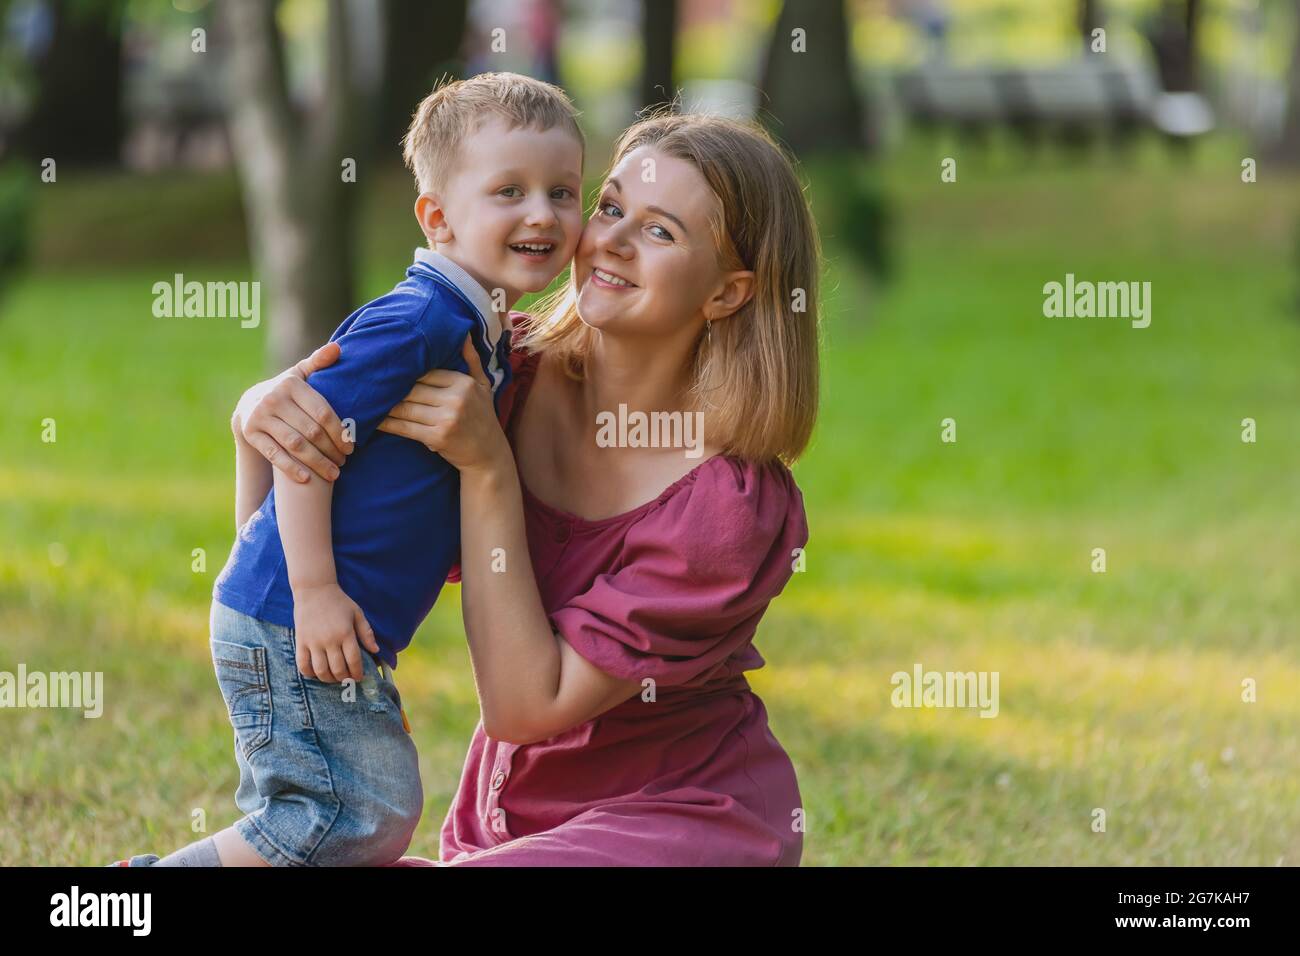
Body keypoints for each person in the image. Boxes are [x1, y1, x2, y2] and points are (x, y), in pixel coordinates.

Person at [237, 112, 821, 865]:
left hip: (681, 822)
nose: (609, 239)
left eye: (661, 231)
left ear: (727, 293)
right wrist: (255, 415)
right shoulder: (498, 372)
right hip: (507, 830)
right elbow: (290, 514)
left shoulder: (726, 509)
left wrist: (487, 471)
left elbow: (524, 707)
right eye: (610, 208)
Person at [109, 72, 585, 867]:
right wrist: (308, 591)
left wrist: (260, 561)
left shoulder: (484, 326)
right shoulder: (422, 318)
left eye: (563, 192)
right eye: (510, 191)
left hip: (303, 613)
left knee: (332, 813)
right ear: (437, 217)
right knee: (358, 813)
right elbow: (298, 442)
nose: (543, 213)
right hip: (305, 613)